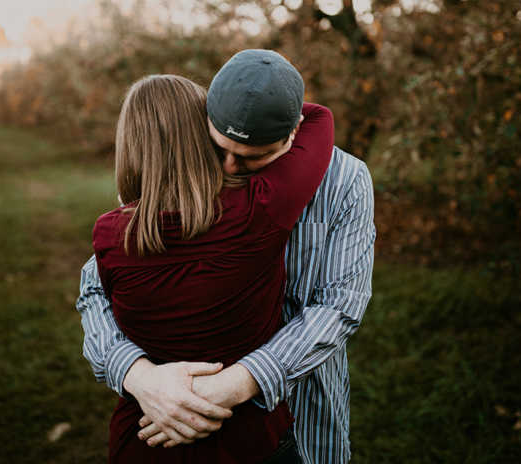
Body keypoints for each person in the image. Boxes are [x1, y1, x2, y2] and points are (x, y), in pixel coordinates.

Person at [78, 49, 375, 464]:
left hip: (303, 407)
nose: (231, 167)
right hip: (166, 409)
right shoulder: (187, 171)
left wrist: (236, 383)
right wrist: (139, 376)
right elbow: (95, 289)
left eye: (253, 158)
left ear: (292, 135)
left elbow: (339, 305)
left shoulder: (344, 182)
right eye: (220, 150)